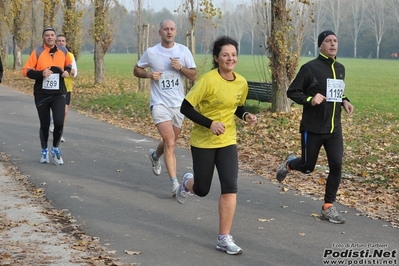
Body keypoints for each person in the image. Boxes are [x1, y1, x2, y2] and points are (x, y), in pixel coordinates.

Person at [177, 36, 257, 255]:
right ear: (216, 58)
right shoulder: (207, 80)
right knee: (202, 190)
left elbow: (237, 107)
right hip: (203, 141)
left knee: (230, 186)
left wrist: (246, 114)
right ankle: (187, 182)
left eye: (233, 55)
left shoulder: (241, 82)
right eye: (225, 55)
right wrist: (209, 123)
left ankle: (223, 238)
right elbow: (185, 107)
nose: (230, 58)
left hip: (228, 140)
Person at [276, 30, 354, 224]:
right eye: (328, 41)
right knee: (307, 166)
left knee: (336, 165)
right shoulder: (309, 68)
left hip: (334, 128)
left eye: (335, 41)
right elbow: (292, 91)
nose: (333, 44)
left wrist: (345, 100)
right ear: (321, 45)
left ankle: (328, 206)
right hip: (313, 128)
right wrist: (310, 99)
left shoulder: (341, 68)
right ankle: (289, 164)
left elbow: (335, 92)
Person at [133, 19, 197, 197]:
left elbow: (194, 75)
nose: (169, 32)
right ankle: (175, 184)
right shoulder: (152, 52)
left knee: (171, 141)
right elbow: (136, 69)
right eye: (165, 29)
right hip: (159, 104)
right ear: (159, 32)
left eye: (172, 29)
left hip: (178, 105)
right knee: (169, 142)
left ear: (175, 32)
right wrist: (148, 75)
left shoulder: (183, 51)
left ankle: (155, 156)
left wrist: (180, 68)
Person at [22, 26, 73, 165]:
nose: (50, 37)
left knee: (58, 122)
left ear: (55, 37)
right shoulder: (38, 52)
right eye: (47, 35)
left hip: (59, 93)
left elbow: (69, 64)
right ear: (43, 38)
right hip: (42, 94)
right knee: (44, 124)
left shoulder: (63, 51)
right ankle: (44, 150)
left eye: (52, 35)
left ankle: (55, 148)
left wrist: (67, 71)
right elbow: (26, 71)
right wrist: (40, 74)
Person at [49, 34, 78, 142]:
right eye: (59, 41)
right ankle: (53, 122)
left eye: (63, 41)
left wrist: (71, 72)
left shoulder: (70, 55)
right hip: (54, 86)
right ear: (55, 43)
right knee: (56, 109)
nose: (61, 43)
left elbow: (75, 72)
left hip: (66, 86)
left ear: (66, 43)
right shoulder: (51, 54)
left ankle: (59, 131)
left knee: (64, 112)